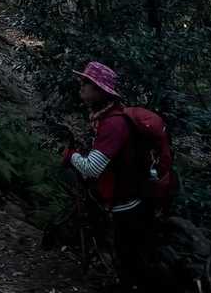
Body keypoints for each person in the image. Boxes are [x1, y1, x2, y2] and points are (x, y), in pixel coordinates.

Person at [60, 61, 154, 288]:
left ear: (100, 91)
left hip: (127, 203)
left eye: (86, 82)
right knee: (130, 259)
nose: (81, 85)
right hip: (130, 196)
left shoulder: (113, 124)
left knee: (130, 265)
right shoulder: (109, 117)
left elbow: (92, 168)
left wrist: (70, 155)